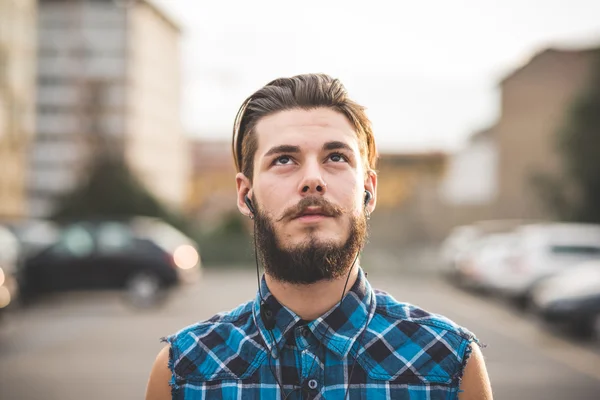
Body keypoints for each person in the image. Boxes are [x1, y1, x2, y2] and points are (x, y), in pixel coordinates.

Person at [146, 74, 493, 399]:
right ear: (245, 194)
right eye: (284, 159)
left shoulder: (449, 365)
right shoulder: (184, 372)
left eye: (336, 157)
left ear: (368, 190)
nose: (313, 180)